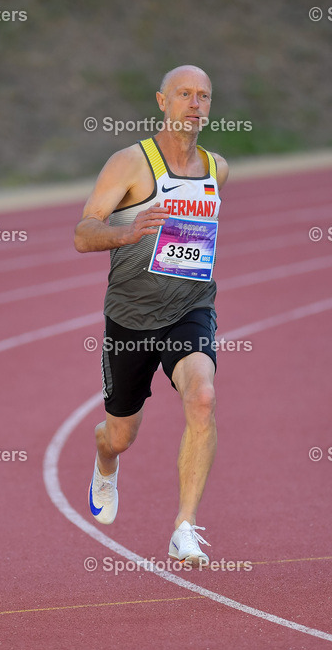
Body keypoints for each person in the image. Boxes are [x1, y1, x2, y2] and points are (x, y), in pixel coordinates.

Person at [74, 65, 229, 565]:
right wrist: (128, 231)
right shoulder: (130, 164)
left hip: (190, 307)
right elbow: (83, 233)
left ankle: (184, 526)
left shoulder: (216, 169)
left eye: (203, 95)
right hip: (131, 317)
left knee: (202, 396)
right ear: (162, 101)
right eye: (184, 94)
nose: (194, 103)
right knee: (120, 434)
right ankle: (104, 461)